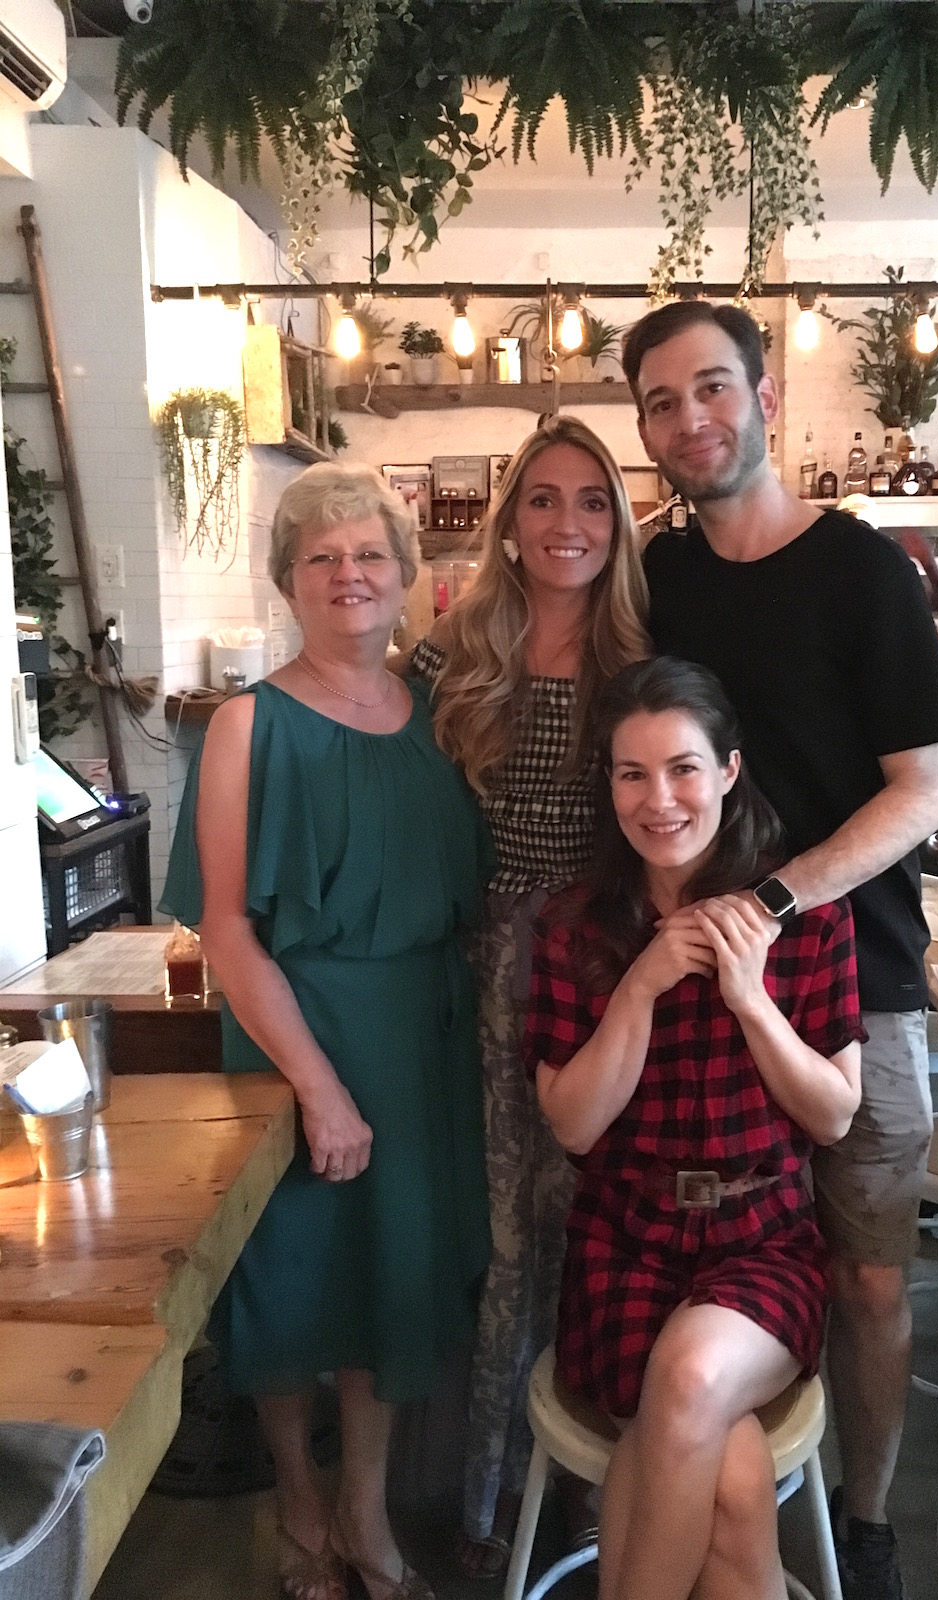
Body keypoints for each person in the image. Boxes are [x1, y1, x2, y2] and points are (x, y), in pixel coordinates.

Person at [622, 299, 938, 1600]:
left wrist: (773, 903)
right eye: (662, 402)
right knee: (708, 1258)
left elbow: (924, 791)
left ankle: (865, 1521)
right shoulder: (657, 580)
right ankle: (728, 1511)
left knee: (870, 1280)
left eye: (712, 387)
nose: (691, 419)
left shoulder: (863, 571)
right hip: (695, 992)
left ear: (766, 398)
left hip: (859, 983)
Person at [162, 463, 492, 1600]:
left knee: (389, 1275)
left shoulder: (441, 720)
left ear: (406, 576)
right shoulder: (247, 726)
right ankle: (299, 1505)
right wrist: (319, 1087)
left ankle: (365, 1506)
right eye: (322, 558)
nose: (349, 574)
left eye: (369, 555)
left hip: (422, 1038)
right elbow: (224, 928)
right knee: (292, 1278)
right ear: (288, 582)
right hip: (296, 1032)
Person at [528, 656, 864, 1600]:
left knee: (686, 1384)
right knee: (737, 1481)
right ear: (608, 786)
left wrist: (750, 997)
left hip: (765, 1240)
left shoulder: (805, 919)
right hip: (624, 1244)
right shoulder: (574, 924)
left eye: (683, 769)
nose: (660, 800)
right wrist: (639, 985)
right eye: (632, 774)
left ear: (728, 770)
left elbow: (834, 1116)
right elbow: (574, 1127)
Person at [408, 415, 650, 1575]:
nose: (568, 524)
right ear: (508, 525)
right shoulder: (450, 656)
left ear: (620, 523)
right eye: (543, 500)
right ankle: (488, 1488)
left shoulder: (642, 660)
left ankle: (594, 1473)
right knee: (505, 1238)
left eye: (593, 501)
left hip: (607, 965)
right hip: (485, 972)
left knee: (601, 1223)